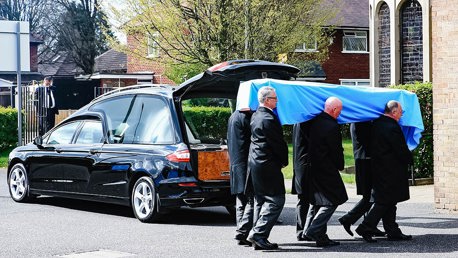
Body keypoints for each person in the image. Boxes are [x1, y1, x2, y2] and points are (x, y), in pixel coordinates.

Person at [355, 100, 413, 243]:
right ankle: (366, 227)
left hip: (380, 167)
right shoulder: (392, 126)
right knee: (385, 202)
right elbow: (399, 148)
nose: (401, 114)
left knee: (390, 200)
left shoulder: (377, 123)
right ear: (393, 112)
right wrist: (409, 159)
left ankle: (392, 230)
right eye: (400, 112)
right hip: (391, 169)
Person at [300, 96, 348, 247]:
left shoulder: (314, 121)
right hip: (326, 169)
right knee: (334, 199)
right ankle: (313, 230)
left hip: (312, 166)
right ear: (333, 110)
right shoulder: (331, 126)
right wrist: (340, 165)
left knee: (317, 202)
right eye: (339, 111)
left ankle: (312, 232)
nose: (340, 114)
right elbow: (335, 150)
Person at [246, 86, 288, 250]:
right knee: (276, 200)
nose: (277, 101)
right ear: (268, 100)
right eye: (275, 98)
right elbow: (278, 144)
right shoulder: (268, 119)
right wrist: (283, 161)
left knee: (261, 200)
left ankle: (258, 237)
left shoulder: (256, 115)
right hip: (267, 164)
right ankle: (258, 234)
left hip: (256, 163)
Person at [338, 122, 385, 237]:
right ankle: (348, 219)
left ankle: (369, 225)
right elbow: (370, 140)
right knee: (371, 196)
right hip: (365, 161)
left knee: (370, 196)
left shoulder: (359, 122)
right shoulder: (361, 123)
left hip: (364, 160)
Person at [227, 108, 254, 246]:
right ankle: (242, 232)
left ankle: (241, 231)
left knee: (240, 201)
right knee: (250, 200)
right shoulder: (247, 118)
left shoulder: (233, 117)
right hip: (245, 164)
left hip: (235, 163)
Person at [291, 121, 312, 241]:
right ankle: (306, 230)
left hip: (298, 164)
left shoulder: (298, 122)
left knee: (302, 200)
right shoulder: (306, 123)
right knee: (307, 200)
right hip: (306, 165)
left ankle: (301, 230)